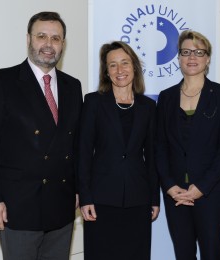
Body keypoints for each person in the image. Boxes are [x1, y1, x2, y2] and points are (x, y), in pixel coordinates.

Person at [0, 11, 83, 260]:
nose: (48, 44)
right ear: (28, 39)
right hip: (17, 208)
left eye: (56, 38)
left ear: (63, 44)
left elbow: (74, 145)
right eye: (41, 36)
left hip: (61, 205)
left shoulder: (72, 86)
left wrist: (78, 190)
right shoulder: (2, 81)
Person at [156, 30, 220, 260]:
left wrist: (201, 187)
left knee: (212, 254)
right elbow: (159, 146)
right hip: (176, 195)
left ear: (208, 58)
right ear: (178, 58)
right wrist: (170, 186)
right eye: (186, 52)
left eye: (199, 52)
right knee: (183, 254)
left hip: (210, 194)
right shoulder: (167, 97)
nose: (192, 57)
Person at [78, 41, 160, 260]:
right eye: (112, 65)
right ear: (106, 71)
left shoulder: (148, 107)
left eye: (124, 63)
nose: (119, 70)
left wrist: (154, 198)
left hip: (138, 198)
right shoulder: (93, 102)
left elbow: (152, 157)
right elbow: (83, 153)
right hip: (100, 199)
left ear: (134, 66)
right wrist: (85, 197)